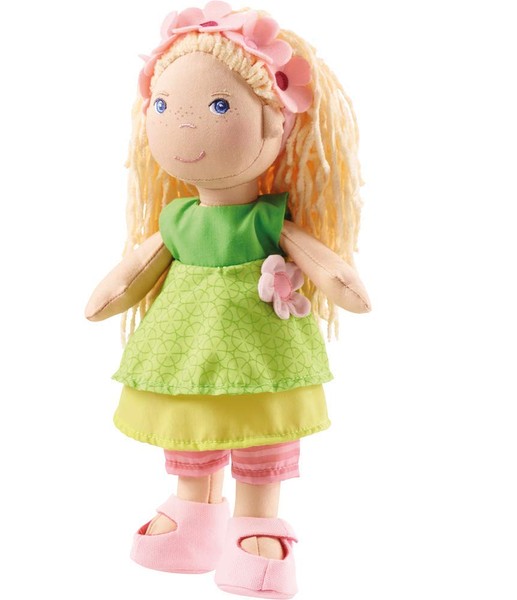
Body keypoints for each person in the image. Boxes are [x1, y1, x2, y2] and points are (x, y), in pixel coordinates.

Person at [85, 3, 371, 597]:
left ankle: (256, 521)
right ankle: (193, 511)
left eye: (219, 107)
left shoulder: (266, 219)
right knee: (192, 420)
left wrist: (341, 283)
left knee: (260, 425)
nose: (183, 126)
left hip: (259, 349)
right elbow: (132, 273)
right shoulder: (177, 219)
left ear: (277, 123)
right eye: (164, 107)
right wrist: (108, 297)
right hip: (185, 347)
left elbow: (323, 264)